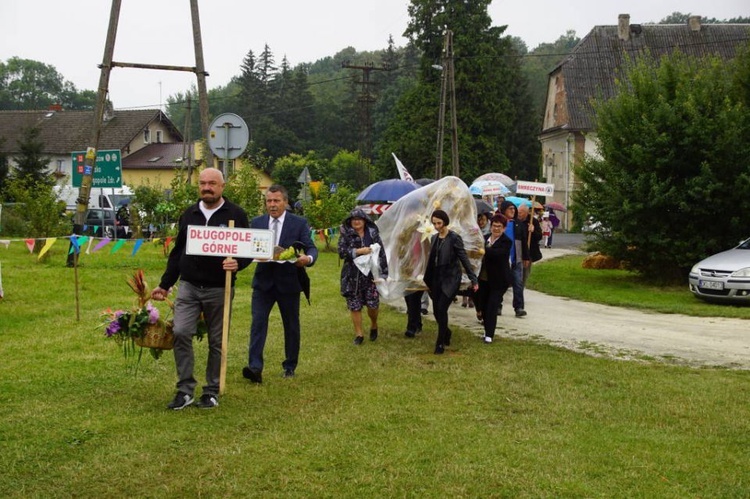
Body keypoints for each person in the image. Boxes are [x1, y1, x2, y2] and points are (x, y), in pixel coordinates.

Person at [151, 167, 251, 410]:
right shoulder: (190, 214)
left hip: (219, 288)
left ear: (222, 186)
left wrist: (238, 263)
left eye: (212, 184)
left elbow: (248, 250)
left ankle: (211, 390)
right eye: (203, 183)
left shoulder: (236, 214)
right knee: (181, 332)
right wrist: (165, 284)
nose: (207, 187)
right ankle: (185, 390)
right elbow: (178, 252)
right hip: (189, 286)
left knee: (217, 341)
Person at [242, 185, 318, 384]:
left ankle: (290, 365)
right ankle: (255, 368)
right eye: (269, 201)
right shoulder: (256, 223)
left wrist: (307, 259)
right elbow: (247, 249)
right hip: (263, 283)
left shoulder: (299, 223)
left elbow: (311, 247)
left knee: (291, 325)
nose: (272, 205)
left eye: (276, 201)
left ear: (285, 202)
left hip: (289, 283)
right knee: (258, 324)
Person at [423, 209, 479, 354]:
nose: (436, 226)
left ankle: (440, 343)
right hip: (436, 278)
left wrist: (473, 278)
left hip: (451, 278)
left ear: (445, 222)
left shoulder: (454, 238)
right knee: (436, 311)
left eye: (439, 223)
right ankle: (446, 332)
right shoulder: (434, 238)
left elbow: (463, 258)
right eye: (434, 223)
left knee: (442, 308)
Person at [337, 208, 388, 345]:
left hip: (371, 275)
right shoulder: (346, 234)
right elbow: (341, 252)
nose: (356, 222)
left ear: (365, 221)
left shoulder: (373, 233)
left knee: (373, 305)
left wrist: (383, 274)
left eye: (359, 219)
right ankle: (359, 334)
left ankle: (374, 324)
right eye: (353, 220)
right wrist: (358, 251)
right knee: (355, 305)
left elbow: (382, 253)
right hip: (352, 276)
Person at [475, 214, 513, 343]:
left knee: (492, 306)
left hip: (499, 281)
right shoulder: (484, 239)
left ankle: (489, 335)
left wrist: (484, 250)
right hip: (484, 279)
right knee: (484, 306)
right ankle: (487, 329)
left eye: (499, 226)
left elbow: (498, 255)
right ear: (490, 226)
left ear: (504, 228)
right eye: (494, 226)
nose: (496, 229)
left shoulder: (506, 242)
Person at [499, 201, 530, 317]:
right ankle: (497, 305)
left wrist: (526, 257)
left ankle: (519, 307)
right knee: (501, 284)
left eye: (514, 209)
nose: (512, 211)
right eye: (510, 209)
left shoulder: (518, 224)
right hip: (502, 260)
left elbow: (523, 241)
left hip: (515, 259)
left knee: (518, 284)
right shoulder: (499, 223)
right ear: (504, 210)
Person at [518, 203, 543, 284]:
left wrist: (533, 231)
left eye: (521, 212)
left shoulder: (533, 221)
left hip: (529, 252)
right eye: (518, 212)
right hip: (518, 251)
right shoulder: (516, 221)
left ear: (526, 213)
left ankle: (520, 292)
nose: (519, 214)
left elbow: (539, 236)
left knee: (524, 274)